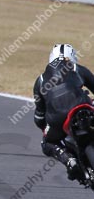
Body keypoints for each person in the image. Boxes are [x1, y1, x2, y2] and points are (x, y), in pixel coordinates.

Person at [33, 43, 94, 180]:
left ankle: (68, 159)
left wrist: (45, 126)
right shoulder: (76, 68)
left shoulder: (40, 81)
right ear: (73, 57)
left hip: (57, 118)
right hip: (83, 106)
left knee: (46, 143)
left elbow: (39, 117)